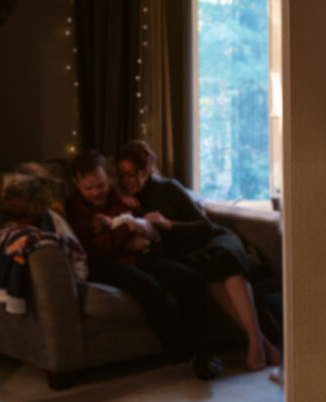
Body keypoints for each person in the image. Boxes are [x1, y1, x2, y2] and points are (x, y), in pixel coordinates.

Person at [115, 141, 282, 373]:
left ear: (145, 170)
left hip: (212, 239)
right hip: (191, 254)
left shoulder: (168, 188)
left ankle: (254, 343)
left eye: (131, 174)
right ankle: (265, 345)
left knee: (223, 260)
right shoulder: (127, 200)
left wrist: (168, 224)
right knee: (208, 272)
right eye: (122, 175)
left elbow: (203, 225)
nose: (127, 181)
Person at [66, 150, 222, 380]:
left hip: (143, 256)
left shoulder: (120, 197)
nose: (97, 193)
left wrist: (142, 238)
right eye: (89, 189)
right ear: (76, 184)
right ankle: (180, 352)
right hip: (109, 265)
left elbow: (148, 229)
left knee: (190, 280)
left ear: (108, 178)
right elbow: (95, 248)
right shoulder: (75, 209)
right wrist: (127, 230)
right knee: (148, 287)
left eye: (101, 185)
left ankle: (203, 354)